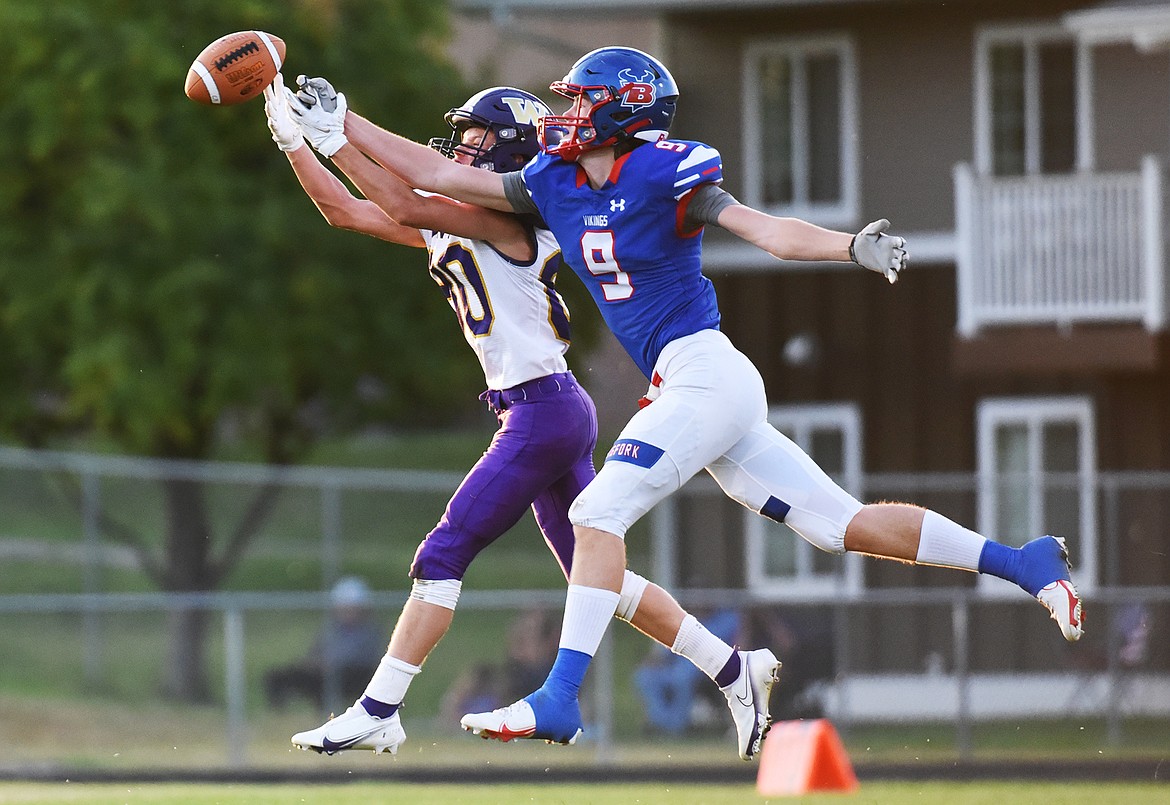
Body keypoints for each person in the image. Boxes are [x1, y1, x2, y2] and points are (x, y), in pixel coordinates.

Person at [282, 48, 1082, 756]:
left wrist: (846, 246)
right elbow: (434, 179)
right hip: (689, 384)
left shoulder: (668, 172)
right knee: (842, 525)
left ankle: (559, 698)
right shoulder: (552, 182)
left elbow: (763, 230)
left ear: (624, 111)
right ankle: (1023, 561)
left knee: (596, 516)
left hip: (707, 373)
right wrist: (340, 122)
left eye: (581, 103)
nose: (566, 115)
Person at [264, 76, 779, 759]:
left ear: (507, 150)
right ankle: (734, 668)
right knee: (603, 582)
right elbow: (348, 212)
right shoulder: (455, 217)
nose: (462, 148)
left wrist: (338, 136)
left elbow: (397, 196)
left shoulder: (511, 221)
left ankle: (379, 706)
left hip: (542, 412)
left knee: (440, 554)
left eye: (476, 137)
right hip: (540, 408)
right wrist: (293, 141)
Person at [263, 576, 384, 710]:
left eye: (351, 608)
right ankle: (281, 715)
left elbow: (363, 658)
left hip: (351, 674)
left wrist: (331, 663)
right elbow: (316, 651)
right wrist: (312, 662)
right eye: (343, 608)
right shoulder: (332, 628)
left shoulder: (369, 631)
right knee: (277, 676)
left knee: (334, 677)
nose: (347, 613)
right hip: (322, 671)